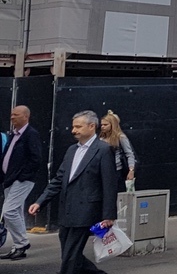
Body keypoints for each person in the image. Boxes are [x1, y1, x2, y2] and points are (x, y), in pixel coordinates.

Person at [29, 111, 117, 274]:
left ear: (92, 126)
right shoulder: (71, 150)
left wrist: (109, 215)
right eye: (73, 126)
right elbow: (59, 179)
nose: (73, 130)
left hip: (87, 210)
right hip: (67, 209)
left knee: (71, 255)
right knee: (70, 253)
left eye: (78, 126)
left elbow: (110, 184)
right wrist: (40, 201)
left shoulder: (103, 150)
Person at [1, 106, 42, 261]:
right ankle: (17, 247)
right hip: (9, 180)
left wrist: (22, 176)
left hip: (21, 180)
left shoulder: (31, 135)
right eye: (11, 114)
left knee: (9, 211)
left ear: (25, 116)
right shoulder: (14, 135)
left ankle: (22, 243)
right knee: (16, 211)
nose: (12, 117)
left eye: (16, 115)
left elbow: (35, 158)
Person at [98, 111, 136, 195]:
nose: (102, 127)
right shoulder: (101, 138)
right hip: (102, 170)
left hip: (116, 170)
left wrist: (131, 170)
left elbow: (129, 154)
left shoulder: (120, 137)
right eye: (101, 125)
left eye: (105, 125)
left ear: (112, 125)